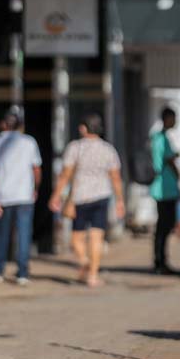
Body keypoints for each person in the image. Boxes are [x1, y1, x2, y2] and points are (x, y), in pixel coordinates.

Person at [49, 114, 124, 287]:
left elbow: (65, 174)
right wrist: (120, 201)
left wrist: (56, 195)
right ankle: (92, 275)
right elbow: (115, 178)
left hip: (80, 197)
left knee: (77, 238)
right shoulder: (108, 149)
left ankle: (84, 262)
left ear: (84, 128)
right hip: (102, 196)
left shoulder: (75, 148)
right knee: (97, 237)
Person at [0, 106, 42, 286]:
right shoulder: (29, 142)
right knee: (24, 234)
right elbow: (36, 169)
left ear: (3, 124)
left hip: (3, 195)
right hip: (24, 194)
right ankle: (23, 273)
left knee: (2, 234)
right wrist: (35, 187)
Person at [150, 107, 180, 275]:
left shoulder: (156, 137)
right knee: (164, 225)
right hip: (165, 188)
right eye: (174, 118)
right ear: (167, 118)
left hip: (161, 187)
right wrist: (179, 176)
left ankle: (160, 260)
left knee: (163, 225)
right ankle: (160, 261)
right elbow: (168, 160)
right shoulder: (161, 138)